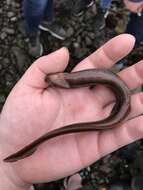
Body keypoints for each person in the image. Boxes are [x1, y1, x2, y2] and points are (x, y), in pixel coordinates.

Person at [1, 34, 143, 190]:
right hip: (116, 103)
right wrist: (9, 174)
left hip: (118, 104)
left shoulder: (71, 81)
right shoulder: (70, 80)